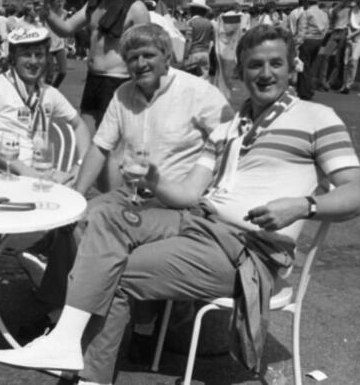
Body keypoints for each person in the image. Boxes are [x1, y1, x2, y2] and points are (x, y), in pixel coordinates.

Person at [0, 24, 360, 385]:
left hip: (246, 251)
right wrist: (155, 178)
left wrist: (304, 206)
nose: (265, 73)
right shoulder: (231, 126)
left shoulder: (317, 117)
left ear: (293, 67)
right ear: (241, 70)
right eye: (255, 64)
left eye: (276, 63)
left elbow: (358, 195)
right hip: (198, 222)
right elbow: (190, 195)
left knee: (116, 271)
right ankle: (65, 340)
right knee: (104, 212)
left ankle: (88, 370)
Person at [20, 23, 233, 337]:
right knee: (74, 222)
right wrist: (77, 196)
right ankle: (62, 310)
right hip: (131, 194)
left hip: (174, 201)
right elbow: (99, 147)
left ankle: (127, 315)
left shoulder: (198, 94)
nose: (140, 64)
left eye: (148, 55)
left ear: (166, 56)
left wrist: (209, 187)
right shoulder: (123, 94)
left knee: (103, 226)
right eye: (132, 58)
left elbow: (231, 140)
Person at [41, 0, 149, 127]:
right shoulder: (95, 2)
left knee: (112, 147)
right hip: (93, 80)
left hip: (119, 82)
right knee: (87, 139)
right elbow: (67, 28)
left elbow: (148, 53)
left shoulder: (136, 9)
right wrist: (46, 13)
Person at [0, 26, 91, 178]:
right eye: (26, 55)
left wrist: (80, 165)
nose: (34, 61)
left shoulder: (49, 93)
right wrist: (24, 171)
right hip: (0, 175)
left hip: (41, 174)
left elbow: (79, 125)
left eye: (39, 55)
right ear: (13, 57)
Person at [295, 0, 329, 100]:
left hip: (307, 40)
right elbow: (326, 28)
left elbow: (302, 29)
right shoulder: (323, 13)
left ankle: (304, 92)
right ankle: (309, 89)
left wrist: (297, 44)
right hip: (318, 41)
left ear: (307, 2)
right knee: (310, 66)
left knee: (303, 66)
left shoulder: (306, 13)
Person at [318, 0, 352, 91]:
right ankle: (322, 82)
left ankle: (330, 82)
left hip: (345, 32)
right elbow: (332, 21)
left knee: (338, 60)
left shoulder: (352, 8)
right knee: (325, 55)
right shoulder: (336, 8)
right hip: (335, 32)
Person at [184, 0, 214, 81]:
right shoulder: (209, 23)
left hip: (194, 53)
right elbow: (211, 40)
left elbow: (188, 40)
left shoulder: (191, 22)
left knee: (192, 79)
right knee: (204, 79)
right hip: (205, 53)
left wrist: (185, 56)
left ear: (193, 10)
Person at [45, 0, 68, 88]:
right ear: (52, 2)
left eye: (61, 1)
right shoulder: (46, 13)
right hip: (48, 46)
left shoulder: (64, 13)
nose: (60, 4)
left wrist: (66, 45)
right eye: (58, 1)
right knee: (49, 74)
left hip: (60, 46)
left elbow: (65, 29)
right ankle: (46, 90)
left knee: (63, 72)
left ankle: (54, 89)